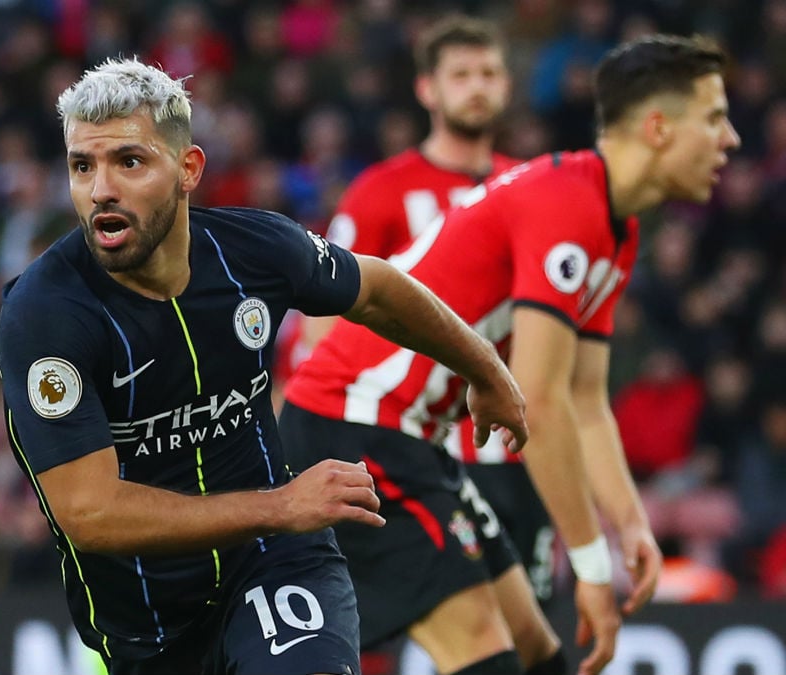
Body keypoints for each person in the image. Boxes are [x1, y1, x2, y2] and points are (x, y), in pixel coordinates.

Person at [0, 57, 529, 675]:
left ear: (188, 169)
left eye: (129, 161)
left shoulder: (256, 250)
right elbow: (89, 512)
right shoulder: (44, 313)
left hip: (275, 562)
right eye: (82, 166)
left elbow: (379, 288)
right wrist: (281, 504)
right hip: (145, 626)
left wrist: (485, 370)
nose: (101, 190)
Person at [282, 34, 738, 675]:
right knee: (484, 658)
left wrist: (630, 523)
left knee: (536, 655)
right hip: (357, 424)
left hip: (414, 434)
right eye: (715, 118)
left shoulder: (614, 224)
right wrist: (591, 568)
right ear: (658, 128)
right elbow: (542, 400)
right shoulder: (569, 205)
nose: (731, 140)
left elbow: (584, 398)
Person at [312, 14, 562, 610]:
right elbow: (325, 321)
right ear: (428, 89)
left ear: (506, 86)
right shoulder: (380, 192)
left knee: (533, 629)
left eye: (489, 73)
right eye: (461, 74)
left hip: (516, 448)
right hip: (414, 443)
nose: (477, 86)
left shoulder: (531, 188)